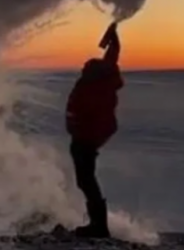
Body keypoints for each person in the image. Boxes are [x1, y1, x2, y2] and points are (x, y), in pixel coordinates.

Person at [64, 21, 123, 238]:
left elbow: (87, 114)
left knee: (86, 179)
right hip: (89, 136)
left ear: (93, 73)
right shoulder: (102, 79)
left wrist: (78, 132)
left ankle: (99, 227)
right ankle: (98, 225)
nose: (83, 69)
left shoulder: (94, 89)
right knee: (86, 179)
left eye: (86, 68)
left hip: (86, 138)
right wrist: (113, 36)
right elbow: (112, 56)